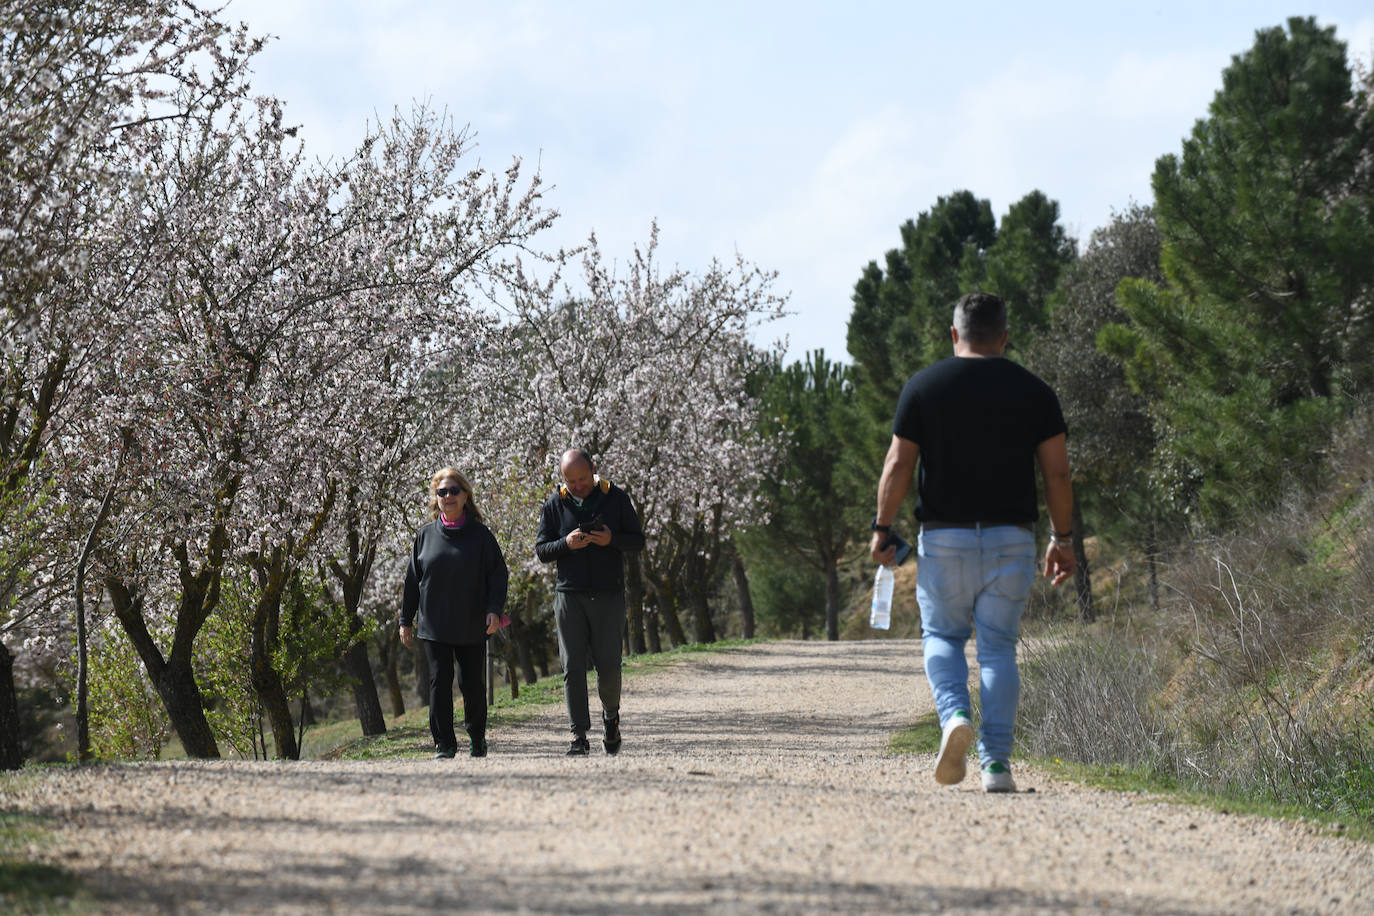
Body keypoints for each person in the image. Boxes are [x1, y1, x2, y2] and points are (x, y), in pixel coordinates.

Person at [870, 292, 1075, 793]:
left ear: (954, 334)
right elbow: (1058, 473)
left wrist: (881, 527)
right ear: (1005, 336)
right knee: (999, 650)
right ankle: (996, 765)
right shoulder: (1036, 392)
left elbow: (899, 466)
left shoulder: (923, 387)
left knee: (942, 638)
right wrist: (1062, 538)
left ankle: (954, 714)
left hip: (945, 541)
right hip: (1012, 539)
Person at [535, 449, 645, 755]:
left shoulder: (616, 497)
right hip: (569, 595)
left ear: (593, 471)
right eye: (570, 481)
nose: (577, 485)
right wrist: (566, 544)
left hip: (609, 594)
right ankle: (578, 736)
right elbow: (542, 551)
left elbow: (638, 541)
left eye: (582, 479)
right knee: (572, 666)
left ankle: (611, 717)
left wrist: (612, 540)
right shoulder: (554, 504)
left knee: (609, 665)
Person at [401, 467, 509, 759]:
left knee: (471, 684)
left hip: (472, 623)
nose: (448, 497)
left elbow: (498, 575)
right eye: (442, 492)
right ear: (436, 498)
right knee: (439, 682)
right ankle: (444, 743)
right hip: (434, 625)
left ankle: (477, 737)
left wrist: (493, 611)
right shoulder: (424, 536)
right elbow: (413, 580)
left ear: (465, 495)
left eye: (453, 491)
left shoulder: (481, 535)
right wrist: (404, 620)